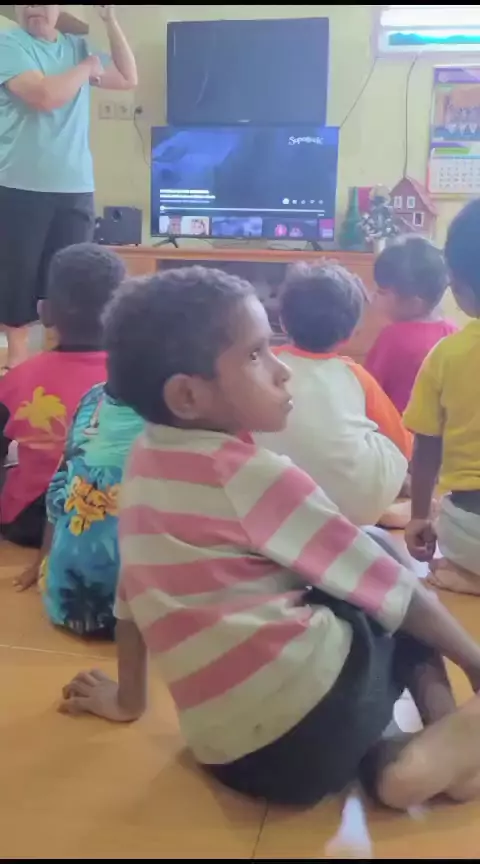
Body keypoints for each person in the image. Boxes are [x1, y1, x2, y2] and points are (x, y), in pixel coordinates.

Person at [61, 266, 480, 811]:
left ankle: (399, 760)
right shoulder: (252, 475)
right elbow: (392, 589)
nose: (282, 371)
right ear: (187, 395)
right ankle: (447, 741)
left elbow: (131, 595)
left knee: (349, 586)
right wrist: (473, 660)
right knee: (379, 556)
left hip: (237, 761)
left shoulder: (143, 460)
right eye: (257, 354)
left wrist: (127, 699)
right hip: (320, 717)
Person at [0, 4, 137, 370]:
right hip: (20, 184)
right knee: (17, 279)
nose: (33, 8)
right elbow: (44, 97)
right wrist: (87, 67)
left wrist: (110, 21)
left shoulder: (76, 47)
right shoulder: (9, 45)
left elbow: (127, 77)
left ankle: (62, 362)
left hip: (74, 185)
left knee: (71, 279)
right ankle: (16, 363)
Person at [258, 262, 412, 527]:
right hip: (357, 510)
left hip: (273, 507)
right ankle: (378, 510)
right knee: (383, 443)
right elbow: (403, 446)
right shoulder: (355, 375)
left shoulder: (263, 366)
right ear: (350, 334)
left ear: (282, 321)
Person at [0, 242, 125, 553]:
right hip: (114, 519)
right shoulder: (142, 377)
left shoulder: (17, 379)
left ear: (45, 312)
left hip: (29, 521)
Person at [18, 382, 144, 633]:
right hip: (142, 618)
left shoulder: (94, 397)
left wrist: (43, 560)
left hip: (65, 602)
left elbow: (60, 484)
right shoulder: (182, 410)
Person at [404, 200, 480, 595]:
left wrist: (419, 517)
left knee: (451, 522)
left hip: (471, 531)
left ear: (460, 286)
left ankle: (469, 575)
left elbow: (426, 447)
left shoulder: (446, 355)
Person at [365, 235, 456, 414]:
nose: (373, 296)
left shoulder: (392, 338)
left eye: (382, 292)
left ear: (415, 302)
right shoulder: (452, 332)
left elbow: (368, 390)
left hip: (396, 428)